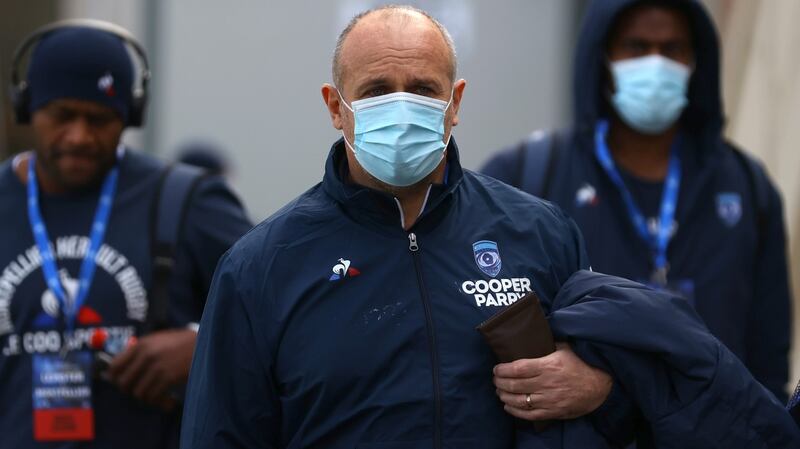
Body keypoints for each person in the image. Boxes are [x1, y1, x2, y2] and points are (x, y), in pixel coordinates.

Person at [180, 5, 800, 449]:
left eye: (424, 88)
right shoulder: (261, 265)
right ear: (334, 105)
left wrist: (599, 391)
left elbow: (606, 409)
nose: (402, 106)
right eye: (376, 89)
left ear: (455, 101)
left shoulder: (538, 232)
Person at [481, 0, 792, 401]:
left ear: (697, 60)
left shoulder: (747, 186)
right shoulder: (526, 176)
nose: (655, 63)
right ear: (603, 55)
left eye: (673, 49)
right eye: (636, 46)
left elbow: (768, 362)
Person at [0, 20, 252, 448]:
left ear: (129, 117)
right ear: (27, 109)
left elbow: (279, 311)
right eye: (62, 116)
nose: (79, 136)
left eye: (99, 120)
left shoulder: (187, 201)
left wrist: (202, 346)